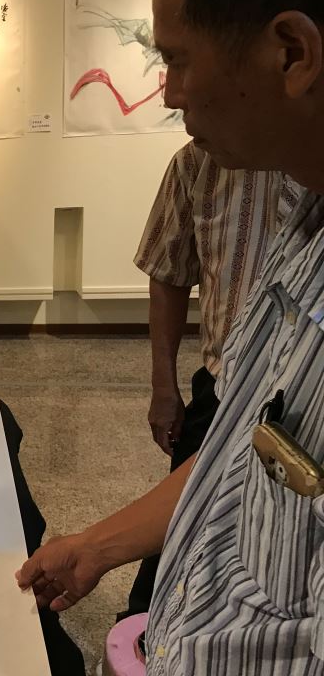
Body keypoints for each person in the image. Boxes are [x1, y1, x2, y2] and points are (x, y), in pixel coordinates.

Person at [16, 0, 324, 672]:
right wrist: (98, 546)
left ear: (292, 53)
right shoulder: (303, 222)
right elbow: (246, 450)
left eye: (179, 61)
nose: (170, 94)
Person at [123, 141, 298, 616]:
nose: (170, 103)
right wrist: (164, 388)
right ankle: (146, 625)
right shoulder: (195, 162)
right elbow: (169, 274)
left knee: (277, 551)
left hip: (305, 395)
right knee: (180, 532)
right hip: (224, 385)